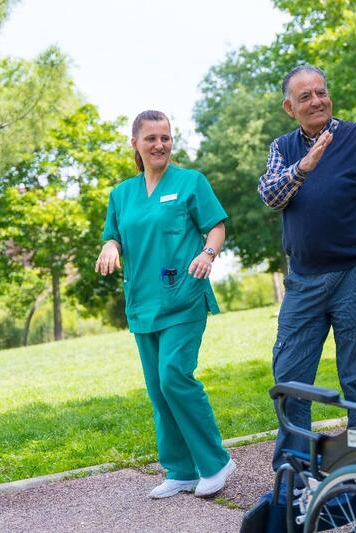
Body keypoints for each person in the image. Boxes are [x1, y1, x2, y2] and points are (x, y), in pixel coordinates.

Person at [258, 65, 356, 472]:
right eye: (305, 97)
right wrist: (304, 167)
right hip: (304, 280)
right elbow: (271, 195)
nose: (317, 101)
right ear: (289, 107)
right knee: (291, 380)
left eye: (321, 92)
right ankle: (292, 474)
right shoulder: (283, 148)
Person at [95, 110, 236, 499]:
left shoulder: (191, 182)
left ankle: (215, 462)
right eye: (151, 138)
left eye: (166, 137)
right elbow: (114, 235)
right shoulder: (121, 194)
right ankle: (180, 470)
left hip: (184, 295)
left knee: (175, 375)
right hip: (143, 302)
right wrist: (110, 246)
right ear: (135, 144)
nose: (160, 145)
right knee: (158, 388)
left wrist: (208, 253)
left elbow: (217, 225)